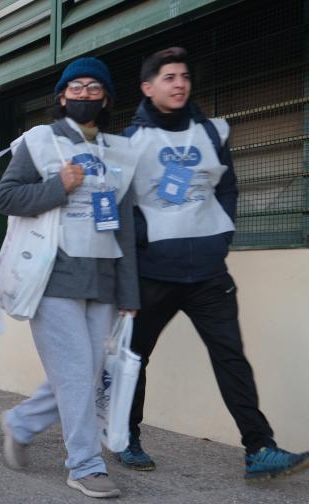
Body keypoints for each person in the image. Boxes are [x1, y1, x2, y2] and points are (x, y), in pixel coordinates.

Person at [120, 47, 309, 480]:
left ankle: (259, 449)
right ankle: (126, 437)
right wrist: (144, 242)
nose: (179, 83)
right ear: (148, 88)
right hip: (153, 272)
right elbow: (121, 204)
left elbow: (228, 189)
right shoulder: (131, 143)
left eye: (184, 75)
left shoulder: (211, 133)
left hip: (207, 271)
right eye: (168, 77)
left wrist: (222, 238)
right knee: (133, 358)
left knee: (230, 357)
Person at [0, 57, 139, 498]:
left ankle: (22, 422)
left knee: (86, 374)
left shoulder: (118, 152)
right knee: (77, 372)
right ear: (61, 97)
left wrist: (129, 289)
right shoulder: (39, 142)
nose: (83, 94)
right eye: (74, 87)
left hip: (103, 279)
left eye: (94, 88)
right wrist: (59, 186)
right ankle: (84, 463)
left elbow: (126, 224)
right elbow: (6, 196)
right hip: (52, 274)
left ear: (106, 98)